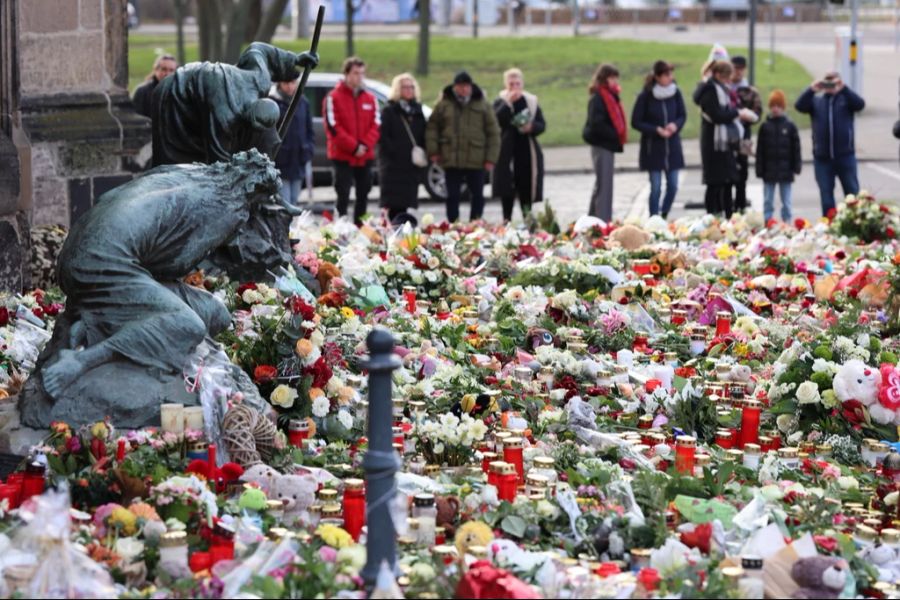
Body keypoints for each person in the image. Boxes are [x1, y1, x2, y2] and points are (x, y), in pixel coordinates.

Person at [42, 150, 281, 397]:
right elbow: (176, 265)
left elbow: (110, 196)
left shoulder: (192, 168)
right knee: (190, 325)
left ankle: (97, 319)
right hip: (101, 264)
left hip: (73, 254)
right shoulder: (231, 205)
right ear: (254, 190)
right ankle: (81, 361)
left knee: (216, 313)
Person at [152, 42, 318, 166]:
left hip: (202, 89)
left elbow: (259, 49)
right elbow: (219, 163)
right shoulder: (226, 115)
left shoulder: (260, 78)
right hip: (172, 93)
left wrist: (295, 60)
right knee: (174, 162)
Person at [426, 71, 501, 222]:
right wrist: (433, 151)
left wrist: (491, 158)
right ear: (455, 87)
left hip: (476, 158)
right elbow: (432, 129)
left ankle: (476, 222)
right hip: (451, 158)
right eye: (461, 86)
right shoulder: (443, 105)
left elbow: (493, 133)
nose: (464, 89)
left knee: (477, 194)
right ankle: (453, 224)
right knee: (452, 195)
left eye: (467, 86)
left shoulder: (483, 105)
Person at [794, 71, 865, 217]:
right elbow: (799, 106)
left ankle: (855, 224)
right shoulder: (817, 101)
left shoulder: (845, 100)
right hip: (823, 158)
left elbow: (860, 105)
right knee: (826, 198)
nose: (830, 86)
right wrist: (812, 89)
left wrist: (843, 88)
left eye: (833, 82)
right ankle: (830, 228)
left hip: (845, 156)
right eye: (827, 82)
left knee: (852, 195)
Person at [694, 60, 757, 218]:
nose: (729, 80)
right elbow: (717, 115)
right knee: (715, 182)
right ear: (717, 75)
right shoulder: (710, 89)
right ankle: (713, 215)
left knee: (729, 180)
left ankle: (730, 216)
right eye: (726, 77)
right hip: (714, 142)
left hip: (726, 141)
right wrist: (737, 114)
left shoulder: (723, 89)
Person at [323, 56, 381, 225]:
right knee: (343, 193)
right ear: (347, 74)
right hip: (343, 156)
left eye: (362, 73)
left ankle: (360, 227)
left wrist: (364, 145)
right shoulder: (332, 97)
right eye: (356, 73)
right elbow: (333, 127)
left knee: (363, 194)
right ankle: (340, 228)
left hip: (365, 156)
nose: (359, 77)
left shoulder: (371, 98)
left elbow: (376, 124)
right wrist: (354, 147)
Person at [631, 60, 686, 219]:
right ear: (657, 77)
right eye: (666, 75)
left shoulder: (676, 93)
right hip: (653, 148)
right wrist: (656, 130)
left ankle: (664, 214)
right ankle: (653, 217)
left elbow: (682, 114)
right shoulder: (645, 96)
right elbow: (636, 121)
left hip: (672, 146)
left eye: (671, 74)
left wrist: (675, 125)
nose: (670, 77)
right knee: (655, 187)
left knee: (673, 185)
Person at [492, 68, 546, 222]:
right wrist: (508, 103)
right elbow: (496, 120)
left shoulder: (531, 101)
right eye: (511, 84)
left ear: (522, 84)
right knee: (506, 189)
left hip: (526, 152)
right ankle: (506, 219)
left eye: (517, 83)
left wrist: (532, 127)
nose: (514, 87)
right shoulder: (500, 101)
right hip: (507, 152)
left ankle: (528, 220)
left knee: (526, 188)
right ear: (505, 85)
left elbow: (542, 124)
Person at [378, 73, 427, 222]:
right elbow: (383, 137)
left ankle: (401, 233)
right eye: (405, 87)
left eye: (411, 86)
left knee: (405, 204)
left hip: (410, 166)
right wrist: (394, 153)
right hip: (393, 166)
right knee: (393, 205)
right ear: (398, 89)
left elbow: (423, 135)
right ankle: (395, 233)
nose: (409, 90)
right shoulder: (389, 110)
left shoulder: (417, 111)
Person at [582, 64, 627, 222]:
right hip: (602, 145)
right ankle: (601, 220)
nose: (616, 82)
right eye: (613, 78)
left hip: (607, 144)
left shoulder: (609, 96)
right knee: (604, 186)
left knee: (602, 184)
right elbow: (597, 124)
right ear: (606, 78)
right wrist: (614, 134)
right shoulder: (599, 98)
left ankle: (593, 219)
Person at [756, 90, 801, 224]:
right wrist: (760, 169)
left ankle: (786, 220)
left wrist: (796, 166)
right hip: (769, 170)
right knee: (768, 199)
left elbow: (796, 149)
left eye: (778, 106)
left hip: (785, 169)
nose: (775, 109)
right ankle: (768, 219)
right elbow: (760, 150)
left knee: (786, 199)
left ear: (783, 107)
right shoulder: (765, 127)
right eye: (773, 106)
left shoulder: (790, 126)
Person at [270, 74, 315, 206]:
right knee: (284, 202)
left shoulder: (303, 102)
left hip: (299, 160)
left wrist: (308, 149)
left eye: (293, 83)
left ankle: (289, 227)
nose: (290, 87)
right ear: (279, 84)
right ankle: (283, 227)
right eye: (286, 83)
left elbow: (309, 130)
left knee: (294, 200)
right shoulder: (273, 102)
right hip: (281, 161)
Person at [728, 56, 762, 214]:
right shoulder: (725, 88)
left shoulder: (749, 90)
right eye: (735, 68)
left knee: (742, 173)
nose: (738, 72)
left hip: (744, 137)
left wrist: (748, 115)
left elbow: (758, 113)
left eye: (741, 69)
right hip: (727, 137)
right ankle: (727, 208)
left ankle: (740, 207)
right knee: (727, 173)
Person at [132, 54, 176, 118]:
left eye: (171, 70)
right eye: (164, 69)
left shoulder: (180, 91)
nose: (167, 74)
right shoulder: (142, 91)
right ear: (156, 70)